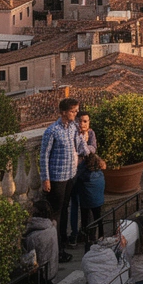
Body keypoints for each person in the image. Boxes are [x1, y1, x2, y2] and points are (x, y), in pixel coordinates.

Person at [40, 97, 93, 263]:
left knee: (65, 211)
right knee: (55, 215)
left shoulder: (73, 128)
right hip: (57, 178)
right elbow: (44, 155)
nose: (76, 114)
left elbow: (80, 146)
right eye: (73, 111)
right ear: (63, 112)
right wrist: (45, 179)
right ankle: (56, 251)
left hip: (70, 175)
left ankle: (62, 245)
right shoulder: (52, 131)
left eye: (77, 111)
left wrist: (90, 149)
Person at [22, 199, 61, 284]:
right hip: (51, 266)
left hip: (39, 271)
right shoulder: (52, 226)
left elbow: (29, 258)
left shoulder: (32, 236)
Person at [68, 111, 99, 244]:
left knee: (87, 204)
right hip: (74, 173)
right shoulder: (73, 134)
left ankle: (88, 233)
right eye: (80, 121)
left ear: (89, 122)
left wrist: (84, 146)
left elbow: (93, 148)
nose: (82, 124)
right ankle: (75, 233)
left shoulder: (91, 133)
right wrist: (84, 147)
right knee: (74, 203)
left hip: (86, 174)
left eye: (85, 121)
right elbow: (76, 151)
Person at [75, 153, 107, 243]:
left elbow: (77, 181)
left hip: (86, 202)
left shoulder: (84, 176)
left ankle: (85, 237)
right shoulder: (100, 174)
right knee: (99, 218)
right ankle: (101, 235)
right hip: (99, 200)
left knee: (85, 219)